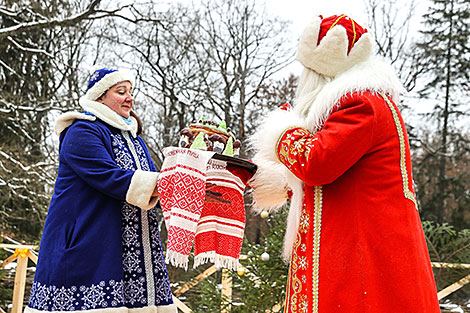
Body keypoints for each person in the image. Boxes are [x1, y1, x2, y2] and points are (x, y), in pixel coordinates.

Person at [249, 15, 440, 312]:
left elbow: (317, 163)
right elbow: (342, 179)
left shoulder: (361, 103)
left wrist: (282, 130)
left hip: (362, 259)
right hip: (366, 252)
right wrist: (274, 181)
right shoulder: (369, 101)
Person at [25, 67, 176, 313]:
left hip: (134, 250)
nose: (130, 97)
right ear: (100, 97)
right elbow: (109, 177)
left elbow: (152, 187)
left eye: (131, 91)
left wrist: (193, 192)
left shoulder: (134, 139)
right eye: (121, 91)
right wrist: (172, 185)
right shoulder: (82, 131)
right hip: (89, 241)